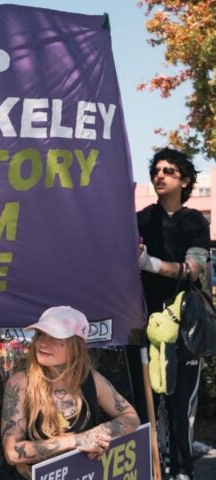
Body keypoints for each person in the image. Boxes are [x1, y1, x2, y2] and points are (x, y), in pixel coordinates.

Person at [137, 148, 210, 480]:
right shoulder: (141, 218)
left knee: (181, 408)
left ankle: (183, 471)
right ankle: (156, 469)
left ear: (185, 180)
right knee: (150, 407)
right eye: (156, 170)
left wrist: (149, 263)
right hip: (143, 326)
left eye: (169, 170)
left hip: (185, 330)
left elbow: (194, 269)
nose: (160, 175)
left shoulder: (194, 221)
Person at [1, 306, 140, 480]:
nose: (43, 343)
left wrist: (98, 435)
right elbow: (12, 452)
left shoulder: (91, 380)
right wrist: (76, 441)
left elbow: (131, 417)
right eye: (41, 335)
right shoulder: (20, 383)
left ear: (76, 346)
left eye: (54, 337)